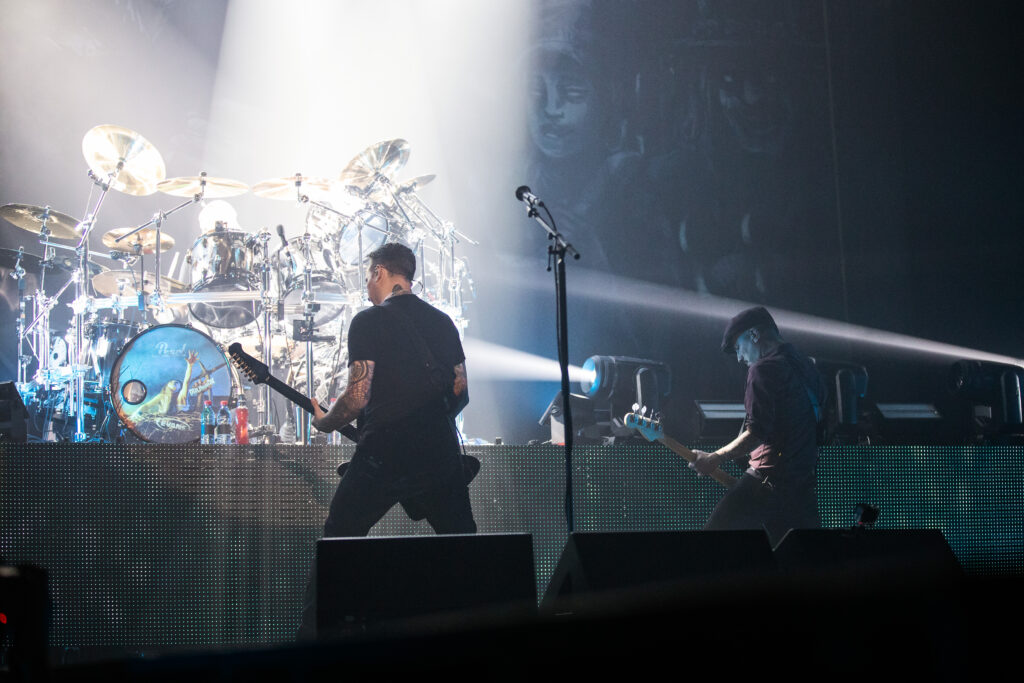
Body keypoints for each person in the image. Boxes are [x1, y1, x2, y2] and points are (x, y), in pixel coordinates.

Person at [298, 242, 476, 638]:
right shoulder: (443, 322)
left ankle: (311, 644)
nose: (366, 284)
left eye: (367, 276)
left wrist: (325, 422)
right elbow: (461, 392)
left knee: (338, 541)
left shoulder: (368, 321)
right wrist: (429, 422)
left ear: (379, 272)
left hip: (383, 453)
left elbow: (357, 397)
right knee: (465, 547)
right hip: (439, 452)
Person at [689, 306, 824, 545]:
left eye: (738, 348)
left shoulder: (764, 368)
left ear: (753, 335)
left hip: (767, 484)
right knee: (801, 559)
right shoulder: (807, 367)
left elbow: (756, 433)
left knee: (710, 546)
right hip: (802, 489)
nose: (740, 358)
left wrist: (715, 458)